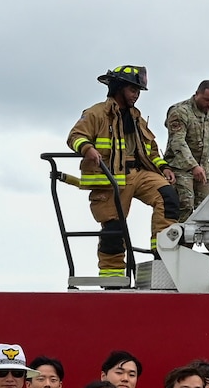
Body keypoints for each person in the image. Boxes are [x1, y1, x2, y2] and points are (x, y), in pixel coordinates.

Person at [67, 65, 179, 276]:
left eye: (138, 91)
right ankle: (112, 278)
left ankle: (163, 256)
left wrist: (164, 168)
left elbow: (151, 150)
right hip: (110, 180)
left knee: (168, 197)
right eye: (132, 89)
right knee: (113, 230)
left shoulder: (136, 118)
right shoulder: (96, 113)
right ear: (118, 88)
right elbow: (74, 136)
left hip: (139, 174)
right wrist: (87, 148)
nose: (136, 95)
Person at [161, 78, 209, 217]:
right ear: (197, 94)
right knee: (185, 204)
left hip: (203, 169)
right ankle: (179, 238)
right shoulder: (179, 112)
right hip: (179, 168)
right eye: (207, 100)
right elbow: (177, 142)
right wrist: (193, 166)